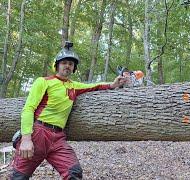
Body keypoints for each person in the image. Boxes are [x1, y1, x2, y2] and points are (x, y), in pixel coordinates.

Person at [9, 42, 126, 180]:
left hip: (58, 138)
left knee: (73, 172)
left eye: (71, 64)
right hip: (38, 134)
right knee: (19, 177)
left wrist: (113, 84)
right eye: (64, 62)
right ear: (57, 65)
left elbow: (95, 85)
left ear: (74, 68)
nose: (67, 66)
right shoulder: (43, 81)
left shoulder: (74, 86)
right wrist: (26, 139)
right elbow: (28, 109)